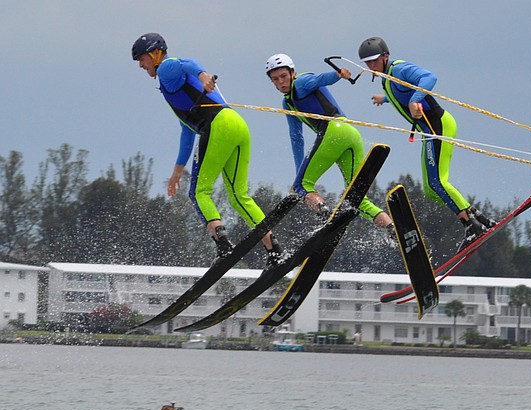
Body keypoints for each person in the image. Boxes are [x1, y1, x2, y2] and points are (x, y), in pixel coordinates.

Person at [132, 33, 285, 267]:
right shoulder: (172, 87)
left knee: (199, 192)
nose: (141, 66)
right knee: (238, 195)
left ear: (154, 53)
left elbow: (187, 63)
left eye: (142, 59)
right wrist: (176, 172)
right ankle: (274, 249)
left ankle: (223, 244)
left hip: (217, 126)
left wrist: (203, 75)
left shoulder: (165, 69)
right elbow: (186, 131)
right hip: (237, 124)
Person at [358, 37, 496, 251]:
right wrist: (383, 99)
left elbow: (429, 77)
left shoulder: (399, 68)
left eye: (374, 61)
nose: (371, 66)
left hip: (438, 127)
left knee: (437, 182)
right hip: (428, 132)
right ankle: (479, 219)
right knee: (430, 189)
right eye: (367, 63)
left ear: (385, 56)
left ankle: (471, 226)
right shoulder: (386, 79)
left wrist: (416, 99)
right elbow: (398, 95)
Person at [264, 53, 393, 236]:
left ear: (293, 73)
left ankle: (326, 219)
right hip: (350, 134)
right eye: (275, 80)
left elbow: (319, 79)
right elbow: (296, 138)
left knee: (301, 187)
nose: (281, 82)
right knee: (355, 198)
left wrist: (338, 74)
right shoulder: (287, 103)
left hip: (333, 131)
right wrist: (300, 170)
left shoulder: (300, 83)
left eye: (284, 76)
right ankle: (392, 228)